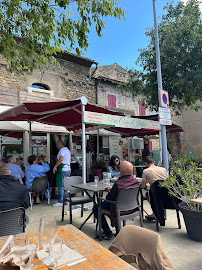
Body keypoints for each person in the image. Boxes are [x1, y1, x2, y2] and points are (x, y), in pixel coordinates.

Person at [93, 161, 139, 240]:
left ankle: (108, 233)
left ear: (122, 171)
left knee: (97, 207)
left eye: (119, 168)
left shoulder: (118, 183)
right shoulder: (135, 181)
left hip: (118, 208)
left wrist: (113, 190)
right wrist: (114, 188)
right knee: (109, 207)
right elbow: (125, 189)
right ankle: (118, 229)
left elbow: (108, 198)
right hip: (132, 207)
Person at [141, 156, 168, 220]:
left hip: (156, 195)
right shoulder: (163, 169)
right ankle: (158, 212)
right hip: (167, 195)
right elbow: (168, 181)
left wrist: (148, 185)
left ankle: (155, 211)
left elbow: (143, 186)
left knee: (148, 194)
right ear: (154, 162)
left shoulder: (145, 171)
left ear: (145, 164)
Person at [52, 140, 71, 207]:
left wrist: (55, 166)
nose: (57, 147)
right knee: (66, 185)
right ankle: (67, 199)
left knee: (60, 185)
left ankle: (60, 201)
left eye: (57, 145)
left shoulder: (62, 150)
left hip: (62, 169)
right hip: (68, 169)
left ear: (60, 144)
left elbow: (61, 159)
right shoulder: (67, 150)